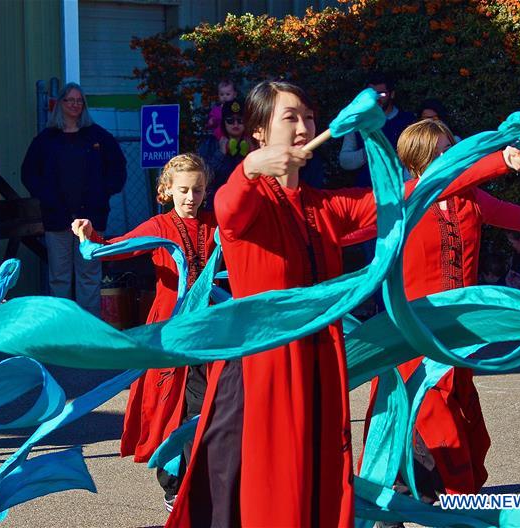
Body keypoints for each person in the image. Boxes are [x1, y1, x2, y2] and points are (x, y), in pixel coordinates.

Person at [167, 80, 384, 527]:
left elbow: (406, 197)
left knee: (318, 478)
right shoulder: (247, 197)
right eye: (291, 117)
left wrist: (494, 158)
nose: (304, 126)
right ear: (260, 132)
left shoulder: (325, 205)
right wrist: (249, 167)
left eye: (308, 117)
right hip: (261, 368)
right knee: (255, 488)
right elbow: (228, 209)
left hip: (319, 361)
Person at [360, 118, 520, 514]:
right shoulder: (406, 198)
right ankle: (448, 507)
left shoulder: (472, 199)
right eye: (441, 152)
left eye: (452, 148)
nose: (450, 157)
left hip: (462, 333)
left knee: (466, 426)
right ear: (418, 159)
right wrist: (502, 157)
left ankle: (414, 501)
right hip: (417, 332)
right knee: (434, 419)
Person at [72, 153, 217, 512]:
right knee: (169, 404)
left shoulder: (215, 224)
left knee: (206, 402)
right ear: (167, 190)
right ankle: (174, 485)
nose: (191, 197)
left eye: (198, 190)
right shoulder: (158, 226)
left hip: (209, 331)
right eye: (183, 189)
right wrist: (91, 237)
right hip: (168, 331)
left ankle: (201, 476)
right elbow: (117, 249)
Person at [22, 82, 127, 316]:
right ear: (60, 103)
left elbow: (118, 168)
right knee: (59, 276)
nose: (75, 105)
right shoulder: (46, 140)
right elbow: (29, 173)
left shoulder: (98, 136)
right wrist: (47, 199)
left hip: (91, 219)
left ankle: (88, 328)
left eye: (79, 100)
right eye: (70, 100)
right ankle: (63, 326)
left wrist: (104, 192)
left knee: (89, 275)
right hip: (56, 218)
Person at [339, 71, 415, 187]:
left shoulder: (408, 122)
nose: (376, 98)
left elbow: (416, 158)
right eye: (371, 94)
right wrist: (368, 152)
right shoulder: (357, 122)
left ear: (392, 94)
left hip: (399, 191)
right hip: (365, 193)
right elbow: (344, 161)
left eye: (382, 94)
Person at [199, 99, 249, 210]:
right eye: (230, 120)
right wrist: (220, 153)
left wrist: (253, 154)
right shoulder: (210, 143)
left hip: (246, 204)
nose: (235, 124)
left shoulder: (253, 143)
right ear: (223, 123)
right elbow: (204, 176)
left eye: (240, 120)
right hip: (217, 205)